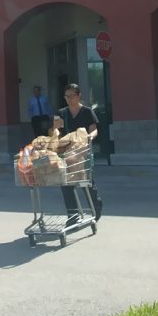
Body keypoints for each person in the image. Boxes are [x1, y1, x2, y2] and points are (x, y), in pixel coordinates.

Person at [52, 83, 103, 226]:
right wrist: (55, 134)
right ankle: (73, 214)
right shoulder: (61, 113)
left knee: (86, 181)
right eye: (66, 96)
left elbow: (94, 130)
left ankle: (96, 206)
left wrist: (89, 138)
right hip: (67, 153)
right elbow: (56, 131)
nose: (69, 99)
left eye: (72, 96)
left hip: (83, 152)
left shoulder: (87, 111)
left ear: (78, 95)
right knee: (66, 182)